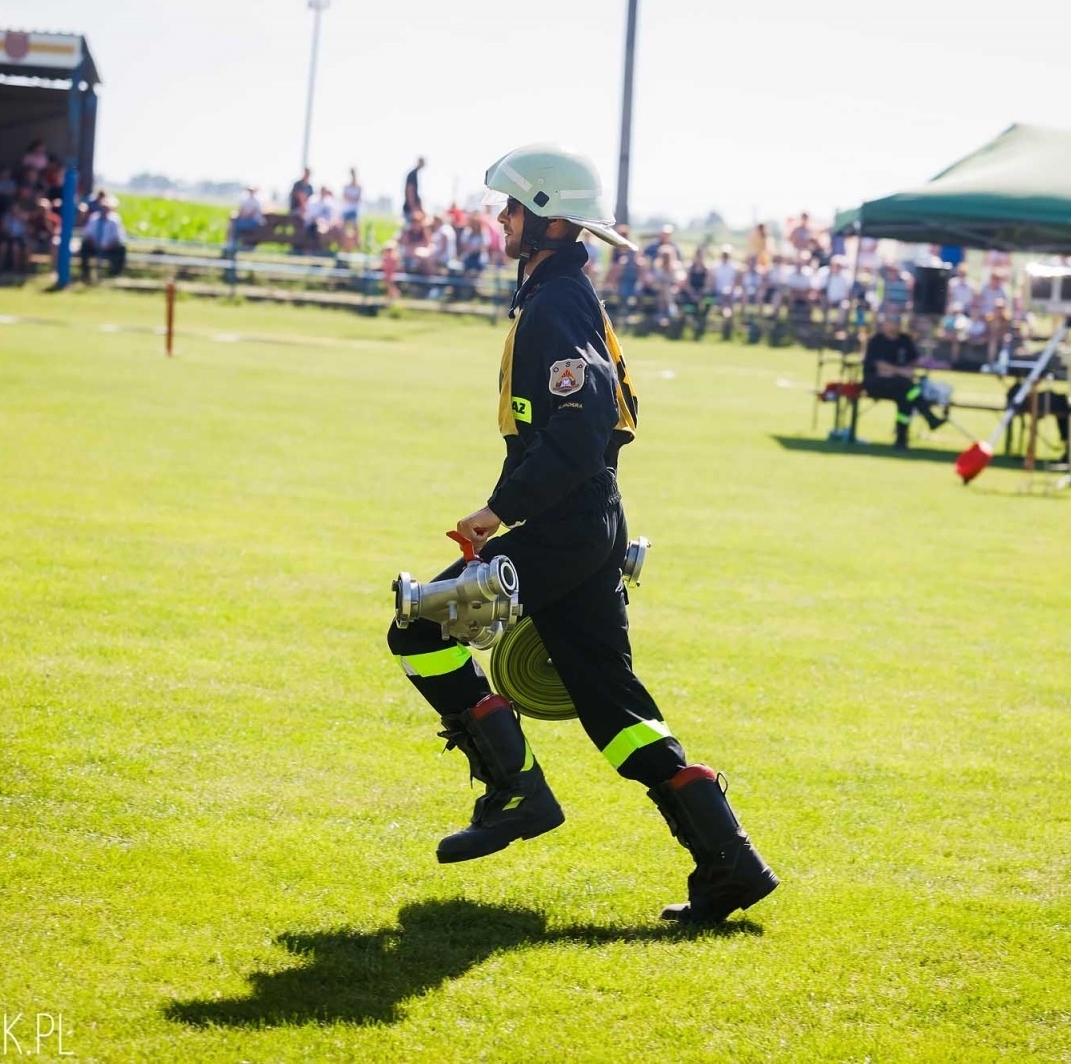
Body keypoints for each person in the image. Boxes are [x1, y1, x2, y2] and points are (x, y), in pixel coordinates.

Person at [384, 144, 777, 924]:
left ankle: (517, 792)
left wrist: (499, 510)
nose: (499, 219)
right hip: (586, 522)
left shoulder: (557, 299)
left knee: (419, 628)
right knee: (612, 709)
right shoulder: (556, 291)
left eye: (511, 208)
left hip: (563, 524)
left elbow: (581, 424)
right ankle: (731, 864)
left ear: (548, 218)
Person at [862, 315, 945, 448]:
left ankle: (901, 440)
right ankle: (929, 417)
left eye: (898, 322)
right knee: (907, 386)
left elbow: (914, 359)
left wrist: (907, 369)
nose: (896, 325)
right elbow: (879, 365)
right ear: (885, 324)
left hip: (899, 385)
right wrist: (901, 371)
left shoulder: (904, 340)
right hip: (876, 384)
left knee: (906, 399)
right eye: (893, 321)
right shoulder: (876, 341)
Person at [79, 197, 127, 280]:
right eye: (102, 207)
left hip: (110, 247)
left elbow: (118, 237)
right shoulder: (94, 217)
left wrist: (108, 246)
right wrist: (94, 244)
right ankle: (85, 272)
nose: (104, 210)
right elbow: (88, 234)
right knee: (84, 246)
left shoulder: (115, 220)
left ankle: (115, 273)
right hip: (94, 246)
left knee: (121, 249)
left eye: (106, 208)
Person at [340, 168, 362, 251]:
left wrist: (351, 198)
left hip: (354, 211)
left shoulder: (358, 186)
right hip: (346, 211)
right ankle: (344, 249)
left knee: (356, 231)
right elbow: (345, 197)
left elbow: (358, 199)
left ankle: (359, 249)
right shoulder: (346, 185)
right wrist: (352, 198)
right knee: (343, 231)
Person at [403, 157, 425, 221]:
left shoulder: (415, 174)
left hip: (413, 208)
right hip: (410, 210)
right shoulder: (412, 174)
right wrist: (413, 207)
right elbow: (410, 191)